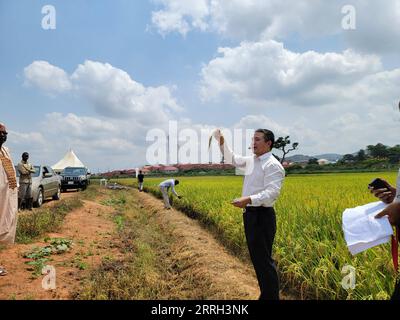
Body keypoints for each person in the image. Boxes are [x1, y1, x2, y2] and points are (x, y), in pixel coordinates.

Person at [213, 128, 285, 300]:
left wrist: (249, 199)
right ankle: (266, 295)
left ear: (269, 143)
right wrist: (222, 141)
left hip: (263, 216)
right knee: (257, 259)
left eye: (258, 139)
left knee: (264, 261)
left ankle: (270, 297)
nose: (253, 143)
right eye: (253, 139)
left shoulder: (273, 165)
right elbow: (233, 159)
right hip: (251, 215)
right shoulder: (253, 160)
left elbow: (272, 193)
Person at [0, 123, 18, 276]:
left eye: (5, 133)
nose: (4, 135)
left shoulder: (5, 151)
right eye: (1, 132)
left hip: (5, 198)